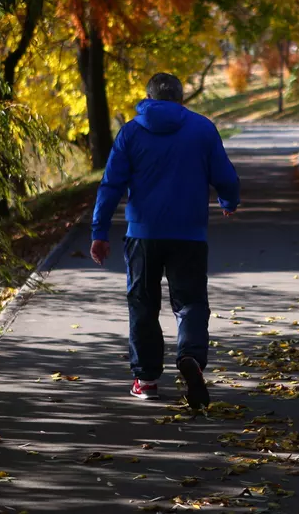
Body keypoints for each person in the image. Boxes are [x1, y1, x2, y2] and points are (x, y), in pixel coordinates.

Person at [89, 72, 240, 409]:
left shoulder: (131, 131)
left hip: (142, 235)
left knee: (143, 303)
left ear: (149, 98)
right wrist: (229, 201)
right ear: (181, 98)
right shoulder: (202, 128)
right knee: (190, 303)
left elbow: (111, 185)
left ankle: (146, 380)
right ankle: (191, 359)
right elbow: (226, 175)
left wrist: (99, 233)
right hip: (189, 234)